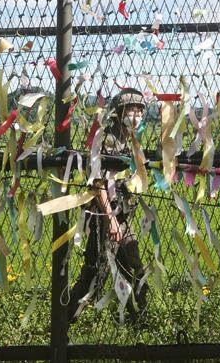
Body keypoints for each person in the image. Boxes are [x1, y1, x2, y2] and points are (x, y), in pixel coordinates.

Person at [67, 88, 149, 323]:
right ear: (120, 112)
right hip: (104, 215)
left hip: (124, 214)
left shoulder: (130, 140)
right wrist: (110, 219)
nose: (136, 116)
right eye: (131, 110)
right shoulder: (108, 138)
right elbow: (98, 182)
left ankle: (139, 321)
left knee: (134, 269)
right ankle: (65, 322)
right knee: (96, 271)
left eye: (140, 110)